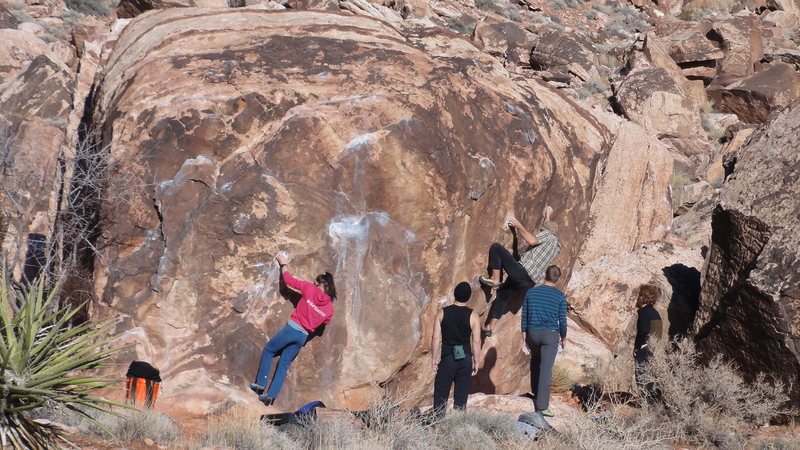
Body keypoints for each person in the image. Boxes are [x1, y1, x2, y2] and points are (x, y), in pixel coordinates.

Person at [250, 254, 336, 406]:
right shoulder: (329, 309)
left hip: (292, 329)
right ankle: (271, 396)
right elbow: (324, 324)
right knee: (283, 363)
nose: (314, 285)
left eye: (316, 284)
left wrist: (283, 264)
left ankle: (261, 384)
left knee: (269, 350)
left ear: (321, 285)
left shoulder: (310, 289)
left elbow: (289, 281)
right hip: (302, 337)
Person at [480, 207, 561, 336]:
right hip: (528, 282)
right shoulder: (556, 245)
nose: (540, 232)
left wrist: (519, 226)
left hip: (522, 272)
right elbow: (549, 229)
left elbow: (533, 240)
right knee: (502, 296)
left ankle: (495, 279)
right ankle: (489, 327)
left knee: (496, 248)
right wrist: (547, 216)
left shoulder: (547, 235)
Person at [521, 265, 567, 417]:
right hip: (549, 335)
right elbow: (562, 319)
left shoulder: (531, 292)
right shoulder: (560, 296)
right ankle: (542, 406)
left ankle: (535, 394)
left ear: (545, 275)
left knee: (535, 361)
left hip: (532, 333)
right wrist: (564, 337)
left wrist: (523, 336)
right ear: (557, 278)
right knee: (546, 370)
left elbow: (524, 315)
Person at [430, 282, 481, 419]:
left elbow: (436, 338)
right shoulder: (473, 316)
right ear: (469, 297)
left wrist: (434, 358)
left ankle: (437, 426)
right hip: (465, 359)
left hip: (447, 358)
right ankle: (457, 427)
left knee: (441, 392)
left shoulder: (442, 312)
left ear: (454, 294)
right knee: (461, 393)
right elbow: (476, 341)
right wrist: (476, 361)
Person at [634, 284, 662, 400]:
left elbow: (648, 332)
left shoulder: (647, 313)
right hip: (648, 349)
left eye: (639, 295)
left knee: (643, 379)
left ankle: (649, 407)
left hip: (646, 350)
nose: (637, 298)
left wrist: (640, 346)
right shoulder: (650, 312)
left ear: (643, 297)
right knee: (645, 379)